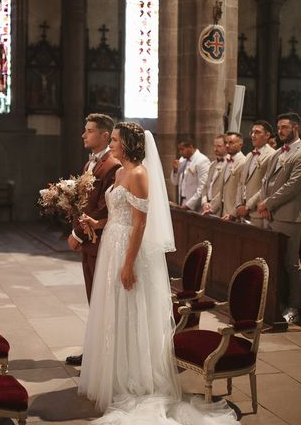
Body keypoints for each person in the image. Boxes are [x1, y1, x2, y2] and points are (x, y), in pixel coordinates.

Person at [77, 122, 238, 424]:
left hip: (129, 251)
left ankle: (134, 377)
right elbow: (117, 214)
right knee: (114, 311)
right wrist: (95, 223)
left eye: (113, 140)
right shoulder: (120, 172)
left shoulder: (138, 174)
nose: (110, 144)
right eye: (110, 139)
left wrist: (128, 264)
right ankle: (114, 372)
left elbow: (139, 223)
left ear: (126, 143)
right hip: (113, 243)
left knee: (131, 311)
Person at [66, 114, 121, 366]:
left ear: (104, 136)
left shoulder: (112, 165)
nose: (83, 135)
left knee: (102, 298)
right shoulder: (90, 164)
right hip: (89, 240)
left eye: (89, 131)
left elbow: (103, 207)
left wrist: (78, 232)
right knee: (93, 297)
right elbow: (84, 201)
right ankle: (94, 350)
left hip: (98, 240)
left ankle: (103, 354)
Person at [258, 112, 301, 324]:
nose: (280, 131)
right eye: (279, 127)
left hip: (289, 216)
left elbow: (292, 187)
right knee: (273, 262)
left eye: (284, 128)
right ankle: (276, 302)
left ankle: (294, 305)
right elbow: (265, 181)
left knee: (291, 263)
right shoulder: (280, 151)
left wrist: (267, 203)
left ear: (295, 128)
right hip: (271, 214)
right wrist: (265, 205)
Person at [236, 121, 276, 227]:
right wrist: (239, 204)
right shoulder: (249, 155)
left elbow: (267, 185)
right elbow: (241, 182)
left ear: (267, 135)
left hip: (257, 211)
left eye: (257, 132)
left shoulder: (272, 155)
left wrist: (248, 206)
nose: (253, 135)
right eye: (252, 132)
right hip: (242, 210)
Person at [169, 136, 210, 211]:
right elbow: (175, 182)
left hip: (194, 205)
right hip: (181, 201)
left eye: (182, 149)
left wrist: (188, 205)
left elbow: (203, 187)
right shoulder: (182, 160)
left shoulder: (202, 160)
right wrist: (175, 170)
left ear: (191, 147)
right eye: (179, 150)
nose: (180, 152)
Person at [221, 132, 246, 220]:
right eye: (226, 143)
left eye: (231, 143)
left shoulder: (243, 162)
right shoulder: (225, 160)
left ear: (240, 144)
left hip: (234, 214)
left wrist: (233, 213)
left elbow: (242, 191)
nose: (227, 145)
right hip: (222, 210)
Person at [201, 135, 227, 217]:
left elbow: (224, 190)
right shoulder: (212, 164)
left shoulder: (229, 164)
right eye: (214, 146)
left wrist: (211, 207)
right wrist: (204, 202)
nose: (215, 149)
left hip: (219, 208)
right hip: (207, 206)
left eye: (219, 146)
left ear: (226, 146)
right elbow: (205, 186)